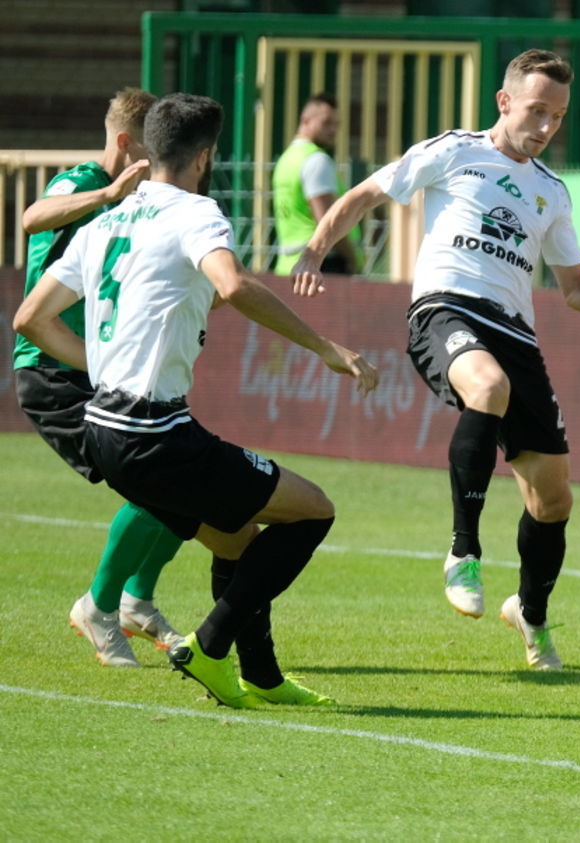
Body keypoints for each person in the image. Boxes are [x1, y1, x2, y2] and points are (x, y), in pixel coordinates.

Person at [291, 48, 580, 670]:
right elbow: (363, 195)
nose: (546, 127)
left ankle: (531, 613)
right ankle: (463, 551)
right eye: (537, 110)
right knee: (486, 387)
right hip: (444, 310)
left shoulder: (551, 192)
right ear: (505, 101)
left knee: (553, 498)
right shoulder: (454, 150)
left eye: (558, 116)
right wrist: (315, 247)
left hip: (517, 333)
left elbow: (576, 289)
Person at [14, 92, 380, 708]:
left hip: (103, 426)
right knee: (314, 511)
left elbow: (29, 318)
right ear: (204, 156)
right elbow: (232, 285)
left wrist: (99, 363)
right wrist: (324, 347)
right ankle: (209, 648)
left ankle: (260, 675)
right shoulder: (196, 213)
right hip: (154, 432)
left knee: (236, 540)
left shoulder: (106, 221)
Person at [13, 87, 189, 668]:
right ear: (124, 143)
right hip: (51, 372)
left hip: (106, 373)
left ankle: (136, 600)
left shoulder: (144, 205)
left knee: (187, 485)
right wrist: (109, 192)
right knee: (156, 482)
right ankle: (101, 607)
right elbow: (32, 216)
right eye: (147, 149)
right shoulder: (84, 180)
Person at [272, 93, 361, 276]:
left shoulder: (286, 160)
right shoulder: (316, 161)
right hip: (322, 264)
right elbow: (328, 220)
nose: (333, 130)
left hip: (288, 264)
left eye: (337, 125)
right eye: (327, 123)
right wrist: (353, 259)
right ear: (305, 121)